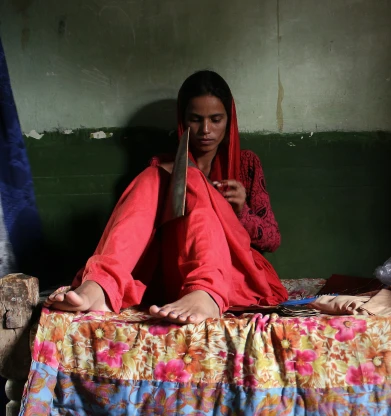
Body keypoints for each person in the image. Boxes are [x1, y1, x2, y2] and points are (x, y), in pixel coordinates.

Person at [44, 70, 288, 323]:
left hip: (235, 273)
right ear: (182, 121)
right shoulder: (162, 166)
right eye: (196, 119)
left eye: (216, 119)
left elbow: (272, 240)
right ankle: (102, 285)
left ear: (230, 119)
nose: (206, 130)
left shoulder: (246, 164)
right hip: (178, 270)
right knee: (155, 174)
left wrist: (241, 212)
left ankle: (207, 293)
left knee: (189, 178)